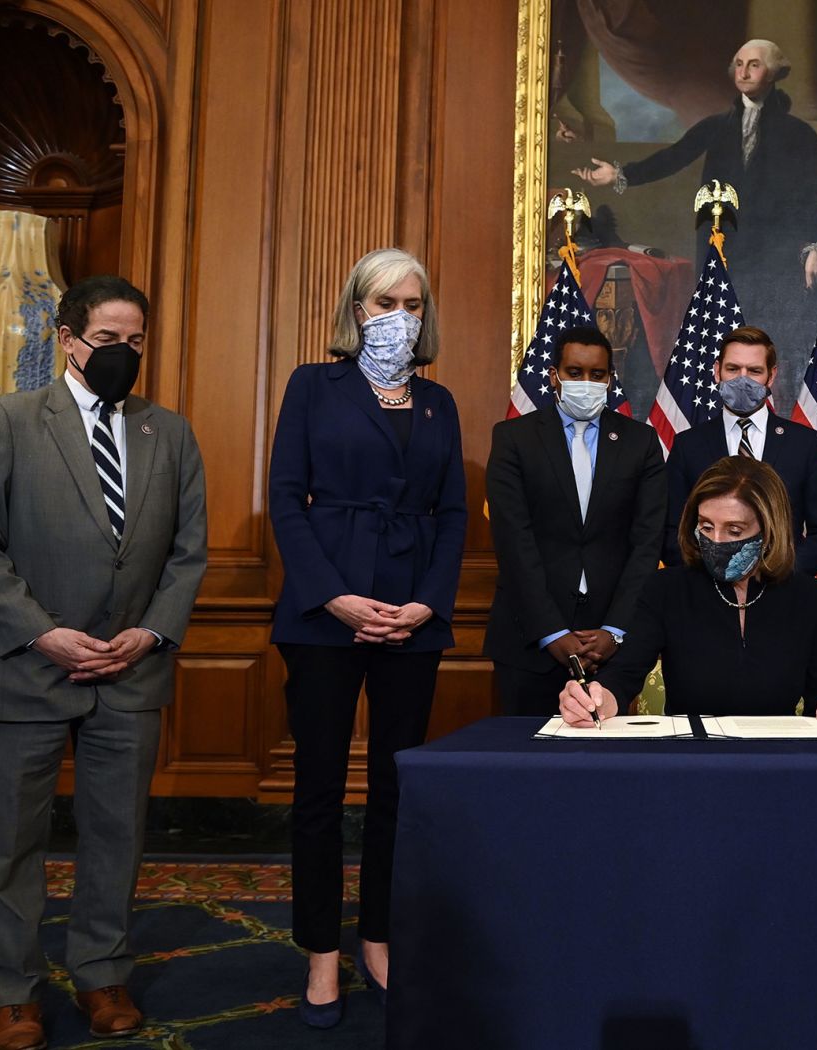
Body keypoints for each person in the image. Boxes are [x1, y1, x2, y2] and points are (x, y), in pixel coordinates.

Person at [0, 275, 208, 1050]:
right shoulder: (7, 420)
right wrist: (41, 633)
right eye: (107, 340)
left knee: (115, 837)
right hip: (26, 670)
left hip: (129, 676)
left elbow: (188, 556)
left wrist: (152, 634)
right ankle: (14, 994)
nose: (122, 353)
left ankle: (102, 977)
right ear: (68, 339)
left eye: (135, 341)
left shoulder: (171, 433)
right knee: (11, 845)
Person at [269, 248, 467, 1027]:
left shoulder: (439, 403)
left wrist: (425, 605)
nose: (400, 317)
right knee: (319, 789)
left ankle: (377, 936)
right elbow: (287, 498)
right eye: (385, 303)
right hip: (325, 613)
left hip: (410, 619)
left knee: (394, 788)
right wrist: (336, 596)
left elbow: (452, 514)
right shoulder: (312, 386)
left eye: (413, 304)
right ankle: (320, 949)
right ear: (357, 310)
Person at [573, 39, 817, 408]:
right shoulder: (717, 126)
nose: (743, 72)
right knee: (719, 342)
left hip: (778, 263)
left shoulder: (799, 135)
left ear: (774, 74)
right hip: (724, 256)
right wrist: (618, 174)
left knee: (772, 347)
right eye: (739, 63)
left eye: (754, 65)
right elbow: (672, 157)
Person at [560, 456, 817, 726]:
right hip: (690, 759)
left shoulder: (811, 598)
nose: (717, 541)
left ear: (769, 530)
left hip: (778, 759)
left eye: (734, 530)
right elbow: (623, 675)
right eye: (706, 527)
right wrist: (599, 698)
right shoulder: (666, 588)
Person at [485, 325, 665, 716]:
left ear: (610, 379)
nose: (586, 383)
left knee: (606, 769)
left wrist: (615, 630)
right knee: (524, 763)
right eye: (575, 373)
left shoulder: (641, 443)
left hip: (610, 644)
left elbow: (647, 542)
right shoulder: (513, 439)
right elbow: (514, 541)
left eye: (597, 375)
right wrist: (552, 633)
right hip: (529, 639)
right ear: (554, 376)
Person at [663, 325, 817, 576]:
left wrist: (776, 574)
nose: (742, 379)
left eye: (754, 371)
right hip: (706, 595)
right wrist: (714, 574)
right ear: (717, 371)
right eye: (733, 369)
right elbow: (670, 532)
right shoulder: (687, 445)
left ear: (771, 376)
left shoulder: (804, 444)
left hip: (781, 593)